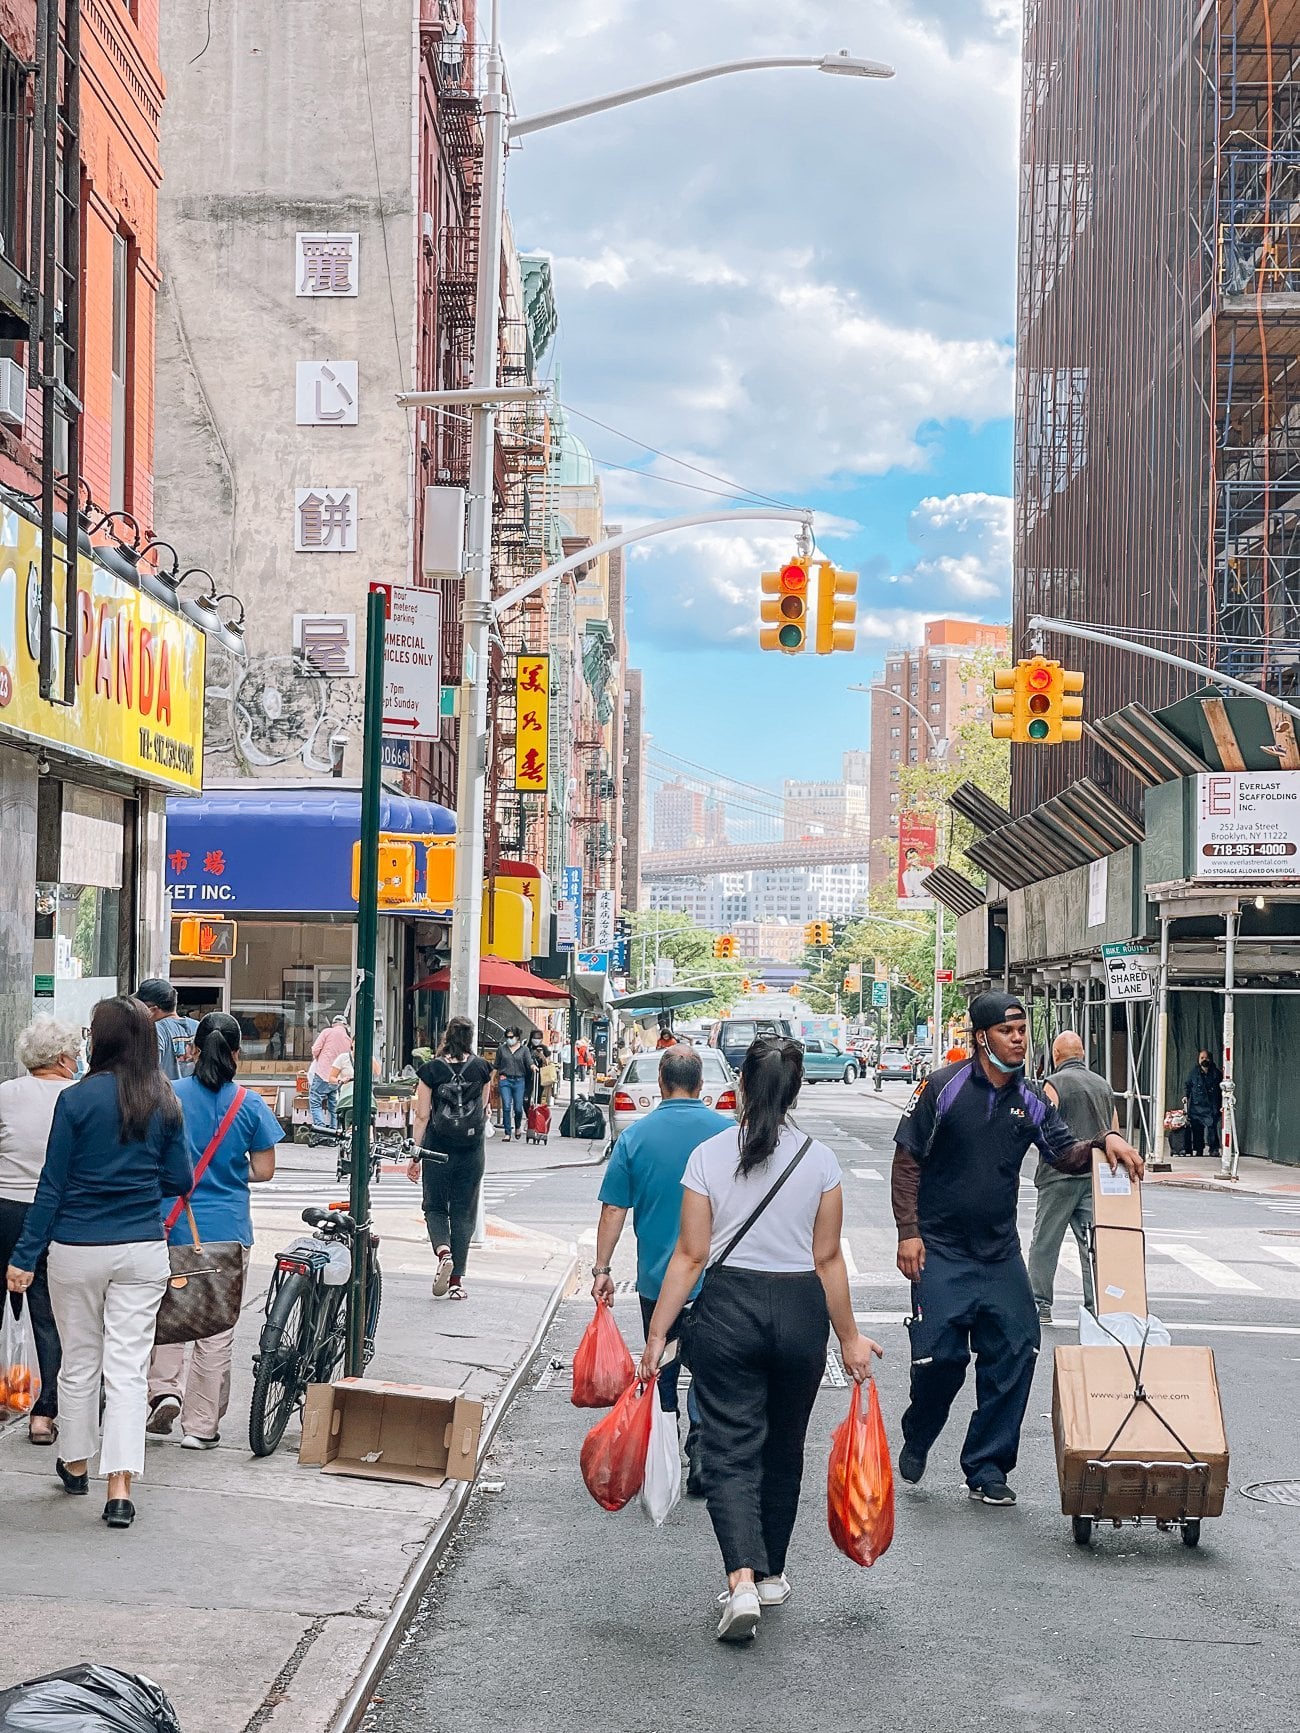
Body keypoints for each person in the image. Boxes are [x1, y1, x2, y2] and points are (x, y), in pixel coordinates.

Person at [639, 1038, 882, 1643]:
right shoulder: (820, 1161)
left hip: (728, 1312)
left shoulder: (709, 1157)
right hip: (801, 1312)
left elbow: (691, 1256)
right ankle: (770, 1573)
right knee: (783, 1445)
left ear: (740, 1088)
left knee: (729, 1447)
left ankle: (741, 1579)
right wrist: (849, 1338)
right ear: (796, 1092)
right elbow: (828, 1261)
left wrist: (656, 1334)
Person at [891, 991, 1143, 1508]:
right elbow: (908, 1159)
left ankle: (986, 1466)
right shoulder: (943, 1087)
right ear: (983, 1037)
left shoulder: (1031, 1099)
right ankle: (918, 1435)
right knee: (940, 1358)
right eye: (1009, 1030)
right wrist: (907, 1230)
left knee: (1018, 1345)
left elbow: (1063, 1153)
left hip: (998, 1252)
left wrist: (1103, 1142)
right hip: (939, 1249)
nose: (1020, 1039)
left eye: (1024, 1030)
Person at [6, 996, 193, 1530]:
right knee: (129, 1369)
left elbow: (53, 1185)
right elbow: (180, 1180)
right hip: (140, 1248)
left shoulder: (77, 1099)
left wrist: (24, 1255)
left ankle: (76, 1460)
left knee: (79, 1362)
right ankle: (120, 1488)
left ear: (101, 1039)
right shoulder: (163, 1099)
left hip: (75, 1249)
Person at [592, 1047, 731, 1496]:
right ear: (701, 1086)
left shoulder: (636, 1137)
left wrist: (602, 1268)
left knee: (663, 1363)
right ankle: (702, 1455)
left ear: (660, 1085)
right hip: (716, 1279)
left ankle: (663, 1450)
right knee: (710, 1370)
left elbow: (614, 1208)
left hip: (657, 1280)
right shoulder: (727, 1134)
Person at [146, 1014, 283, 1449]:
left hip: (171, 1225)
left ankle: (164, 1391)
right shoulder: (250, 1104)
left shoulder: (169, 1095)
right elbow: (264, 1170)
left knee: (168, 1312)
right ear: (237, 1054)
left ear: (193, 1050)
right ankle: (201, 1427)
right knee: (215, 1327)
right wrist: (227, 1169)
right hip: (227, 1229)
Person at [0, 1015, 81, 1445]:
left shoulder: (6, 1094)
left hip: (5, 1210)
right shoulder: (79, 1097)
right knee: (48, 1316)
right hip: (57, 1216)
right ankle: (44, 1413)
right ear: (64, 1057)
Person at [1026, 1032, 1116, 1322]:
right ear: (1082, 1054)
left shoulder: (1054, 1084)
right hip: (1094, 1176)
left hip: (1058, 1175)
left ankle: (1041, 1305)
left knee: (1046, 1242)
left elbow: (1040, 1123)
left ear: (1055, 1055)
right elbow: (1114, 1132)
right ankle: (1097, 1306)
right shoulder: (1103, 1085)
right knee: (1092, 1243)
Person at [409, 1017, 492, 1300]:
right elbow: (482, 1110)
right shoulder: (482, 1068)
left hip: (437, 1148)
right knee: (463, 1212)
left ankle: (442, 1251)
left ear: (446, 1036)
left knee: (434, 1206)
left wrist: (415, 1155)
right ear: (470, 1038)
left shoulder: (430, 1070)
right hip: (471, 1150)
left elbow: (422, 1116)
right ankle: (456, 1282)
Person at [135, 979, 197, 1081]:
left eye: (140, 1008)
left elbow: (148, 1075)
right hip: (196, 1095)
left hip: (165, 1095)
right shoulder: (198, 1027)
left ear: (153, 1010)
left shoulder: (155, 1030)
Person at [307, 1015, 352, 1137]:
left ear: (333, 1024)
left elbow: (315, 1049)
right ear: (345, 1025)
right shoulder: (348, 1039)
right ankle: (333, 1132)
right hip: (337, 1077)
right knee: (333, 1104)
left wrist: (319, 1058)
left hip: (323, 1072)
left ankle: (320, 1131)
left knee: (315, 1100)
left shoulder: (327, 1032)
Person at [493, 1028, 530, 1144]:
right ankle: (507, 1132)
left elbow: (529, 1062)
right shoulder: (501, 1049)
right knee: (507, 1106)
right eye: (508, 1037)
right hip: (505, 1080)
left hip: (519, 1080)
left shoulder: (524, 1050)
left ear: (517, 1037)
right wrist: (491, 1079)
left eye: (512, 1037)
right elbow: (496, 1065)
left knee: (518, 1108)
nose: (510, 1039)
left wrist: (533, 1066)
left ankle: (518, 1126)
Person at [1185, 1049, 1224, 1159]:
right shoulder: (1193, 1073)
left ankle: (1214, 1148)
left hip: (1211, 1105)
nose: (1204, 1060)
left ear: (1210, 1059)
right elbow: (1188, 1085)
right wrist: (1185, 1096)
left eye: (1206, 1058)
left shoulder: (1216, 1073)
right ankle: (1198, 1149)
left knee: (1212, 1127)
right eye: (1202, 1058)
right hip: (1196, 1106)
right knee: (1197, 1129)